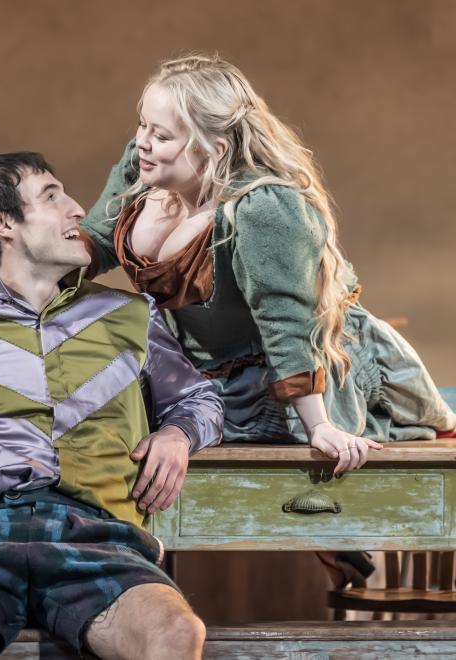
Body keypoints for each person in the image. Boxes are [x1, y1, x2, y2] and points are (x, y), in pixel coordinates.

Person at [0, 152, 224, 659]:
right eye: (52, 196)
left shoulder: (131, 315)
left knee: (178, 633)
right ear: (3, 223)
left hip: (97, 534)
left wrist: (178, 434)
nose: (77, 209)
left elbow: (198, 397)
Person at [80, 54, 456, 478]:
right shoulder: (142, 165)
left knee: (419, 441)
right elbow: (94, 241)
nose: (143, 141)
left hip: (280, 377)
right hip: (192, 369)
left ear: (213, 149)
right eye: (142, 123)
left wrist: (318, 427)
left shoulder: (262, 209)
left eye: (161, 134)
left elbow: (285, 323)